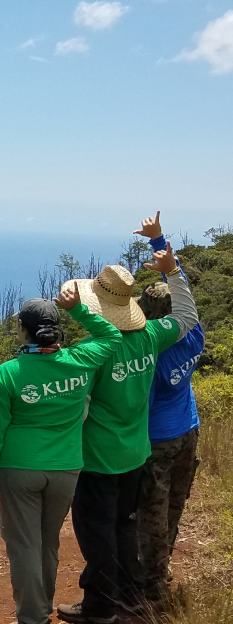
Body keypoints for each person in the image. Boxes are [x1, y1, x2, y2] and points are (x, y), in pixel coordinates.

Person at [57, 217, 199, 624]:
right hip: (137, 451)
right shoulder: (154, 336)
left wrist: (78, 310)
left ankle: (101, 604)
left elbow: (78, 405)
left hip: (100, 457)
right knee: (123, 524)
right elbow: (187, 315)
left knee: (95, 530)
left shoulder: (95, 353)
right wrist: (172, 268)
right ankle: (133, 595)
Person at [0, 285, 122, 624]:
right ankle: (39, 609)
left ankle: (31, 623)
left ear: (21, 328)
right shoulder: (81, 360)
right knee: (47, 542)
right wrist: (80, 310)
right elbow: (112, 334)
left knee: (24, 544)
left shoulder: (10, 372)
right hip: (66, 467)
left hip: (19, 467)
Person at [134, 213, 204, 603]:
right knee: (175, 502)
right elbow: (185, 294)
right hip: (188, 429)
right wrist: (161, 246)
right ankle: (161, 569)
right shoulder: (193, 335)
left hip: (157, 439)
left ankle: (153, 584)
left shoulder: (150, 356)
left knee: (152, 512)